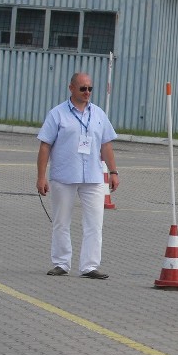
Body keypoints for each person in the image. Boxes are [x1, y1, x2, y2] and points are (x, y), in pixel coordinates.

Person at [36, 73, 119, 279]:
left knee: (94, 223)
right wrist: (41, 177)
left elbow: (106, 145)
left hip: (93, 177)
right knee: (61, 221)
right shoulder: (57, 114)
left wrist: (114, 171)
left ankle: (90, 266)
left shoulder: (98, 114)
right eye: (83, 88)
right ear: (71, 88)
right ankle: (61, 263)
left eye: (90, 88)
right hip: (64, 176)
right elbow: (45, 146)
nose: (87, 92)